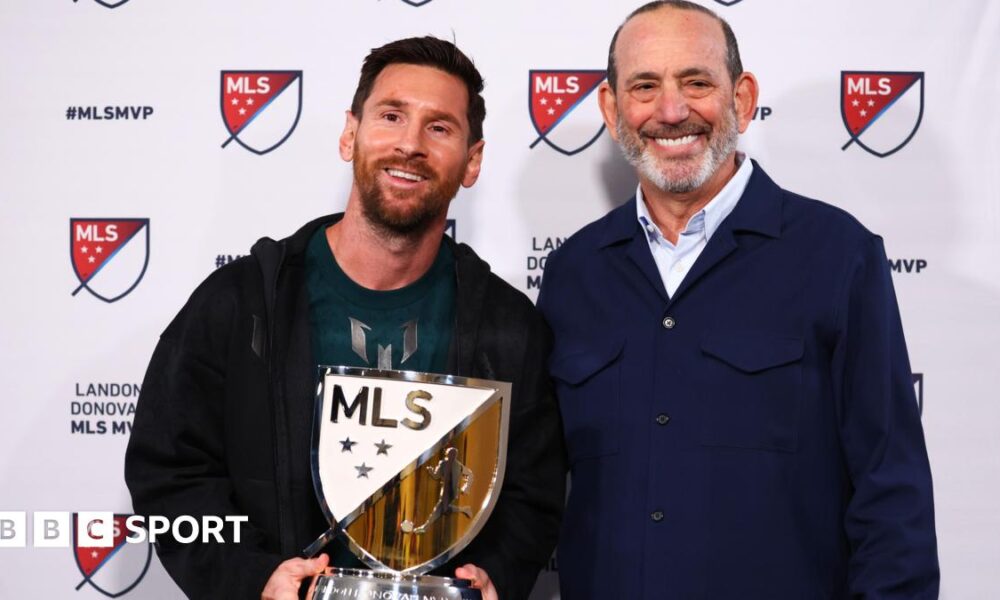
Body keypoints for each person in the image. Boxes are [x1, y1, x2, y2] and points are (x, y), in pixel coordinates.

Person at [125, 37, 565, 600]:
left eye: (440, 127)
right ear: (349, 134)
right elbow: (171, 477)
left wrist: (498, 571)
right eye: (391, 115)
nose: (409, 144)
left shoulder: (510, 329)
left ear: (472, 160)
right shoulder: (240, 304)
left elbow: (534, 493)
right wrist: (253, 579)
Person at [536, 2, 939, 598]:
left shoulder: (838, 255)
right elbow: (534, 481)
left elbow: (892, 491)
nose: (671, 111)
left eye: (696, 82)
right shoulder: (573, 273)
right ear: (611, 108)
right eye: (645, 86)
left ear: (743, 98)